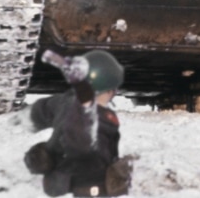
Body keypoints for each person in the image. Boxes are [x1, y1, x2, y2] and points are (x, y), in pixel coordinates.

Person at [24, 50, 132, 197]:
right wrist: (85, 106)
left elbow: (42, 109)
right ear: (108, 91)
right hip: (86, 188)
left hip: (61, 177)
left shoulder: (66, 101)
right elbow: (80, 138)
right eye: (112, 89)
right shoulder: (91, 120)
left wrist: (25, 119)